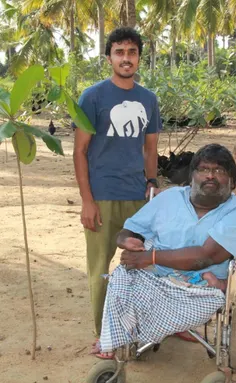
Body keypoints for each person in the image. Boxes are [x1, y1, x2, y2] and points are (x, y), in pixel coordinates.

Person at [94, 144, 236, 358]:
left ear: (232, 182)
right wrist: (127, 241)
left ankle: (142, 331)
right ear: (191, 177)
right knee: (121, 275)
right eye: (203, 169)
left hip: (200, 292)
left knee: (200, 283)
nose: (210, 176)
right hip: (157, 278)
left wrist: (149, 257)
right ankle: (116, 336)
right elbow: (131, 230)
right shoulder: (169, 199)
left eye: (219, 171)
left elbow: (205, 257)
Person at [73, 27, 161, 346]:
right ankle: (105, 336)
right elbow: (80, 151)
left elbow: (150, 149)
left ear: (139, 58)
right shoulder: (93, 97)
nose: (126, 58)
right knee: (100, 267)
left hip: (137, 197)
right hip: (102, 196)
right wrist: (87, 200)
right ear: (109, 56)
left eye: (132, 52)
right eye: (120, 52)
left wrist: (151, 184)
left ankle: (141, 328)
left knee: (142, 266)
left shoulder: (148, 99)